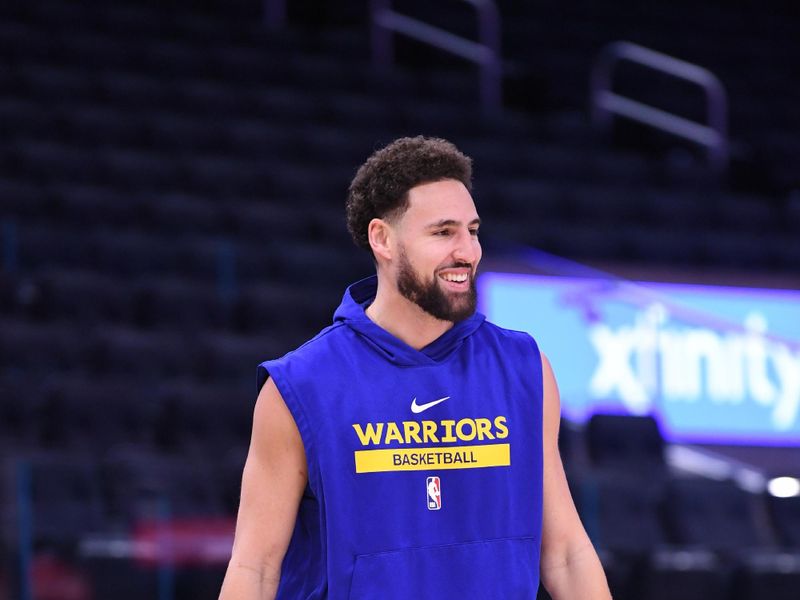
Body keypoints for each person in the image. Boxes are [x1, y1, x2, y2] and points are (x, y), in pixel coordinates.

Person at [219, 136, 611, 599]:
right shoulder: (301, 385)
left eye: (473, 230)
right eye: (443, 232)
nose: (468, 251)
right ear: (382, 239)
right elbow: (255, 569)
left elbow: (565, 552)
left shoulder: (524, 368)